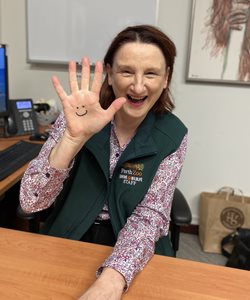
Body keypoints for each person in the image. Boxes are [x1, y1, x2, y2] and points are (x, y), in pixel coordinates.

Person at [20, 24, 188, 299]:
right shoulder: (80, 114)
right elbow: (31, 201)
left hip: (137, 248)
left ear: (166, 77)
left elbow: (151, 216)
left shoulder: (172, 135)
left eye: (151, 73)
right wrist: (72, 140)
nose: (137, 85)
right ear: (109, 73)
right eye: (126, 71)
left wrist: (112, 279)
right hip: (70, 237)